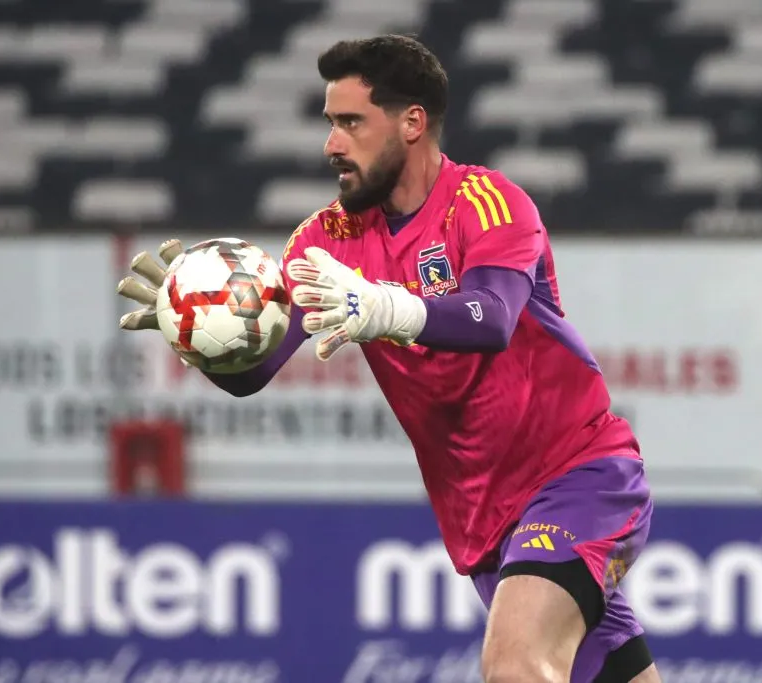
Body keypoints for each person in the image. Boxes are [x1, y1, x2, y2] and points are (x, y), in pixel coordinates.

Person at [117, 34, 660, 683]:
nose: (331, 144)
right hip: (486, 522)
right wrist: (198, 331)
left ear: (412, 122)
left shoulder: (487, 203)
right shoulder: (326, 240)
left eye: (351, 123)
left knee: (514, 664)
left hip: (580, 477)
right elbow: (255, 373)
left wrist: (388, 308)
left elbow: (491, 318)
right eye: (330, 124)